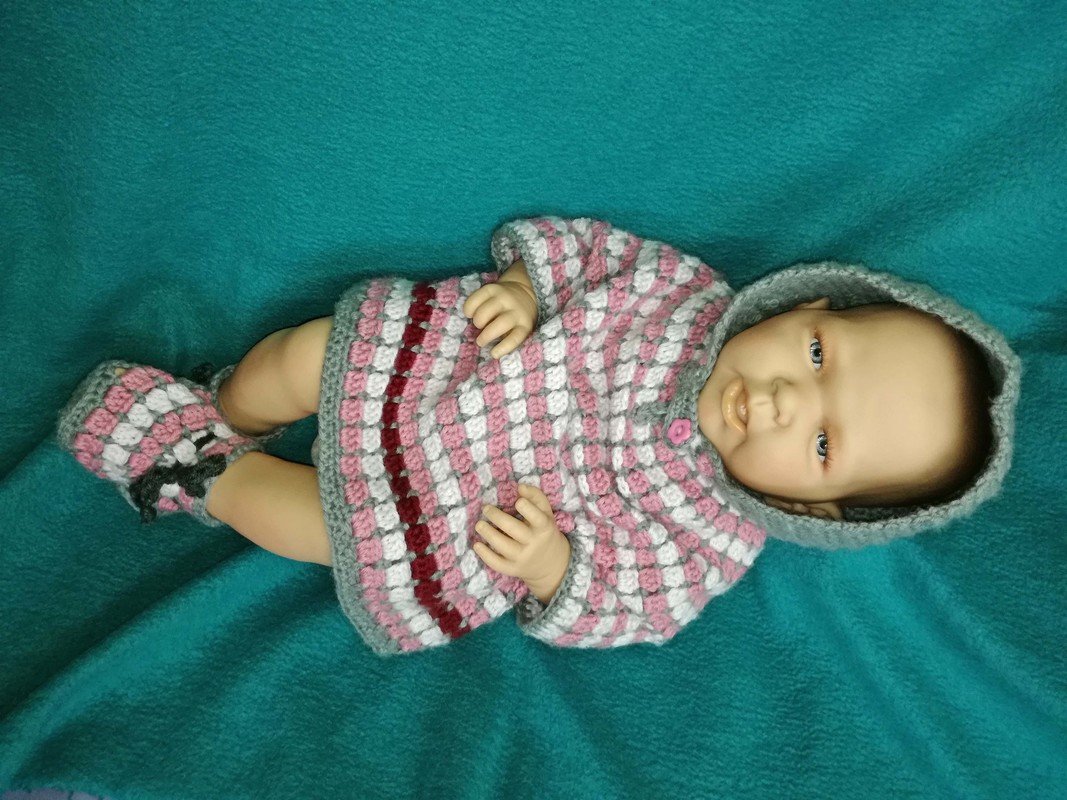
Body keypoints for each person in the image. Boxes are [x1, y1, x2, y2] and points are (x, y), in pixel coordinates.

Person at [55, 216, 1021, 656]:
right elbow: (590, 251)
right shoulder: (684, 291)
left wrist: (556, 566)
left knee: (320, 528)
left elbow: (632, 611)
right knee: (303, 353)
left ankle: (204, 470)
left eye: (821, 444)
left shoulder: (711, 543)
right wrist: (526, 287)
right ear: (809, 303)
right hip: (462, 365)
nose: (779, 401)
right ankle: (230, 405)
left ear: (819, 511)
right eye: (814, 357)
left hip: (472, 517)